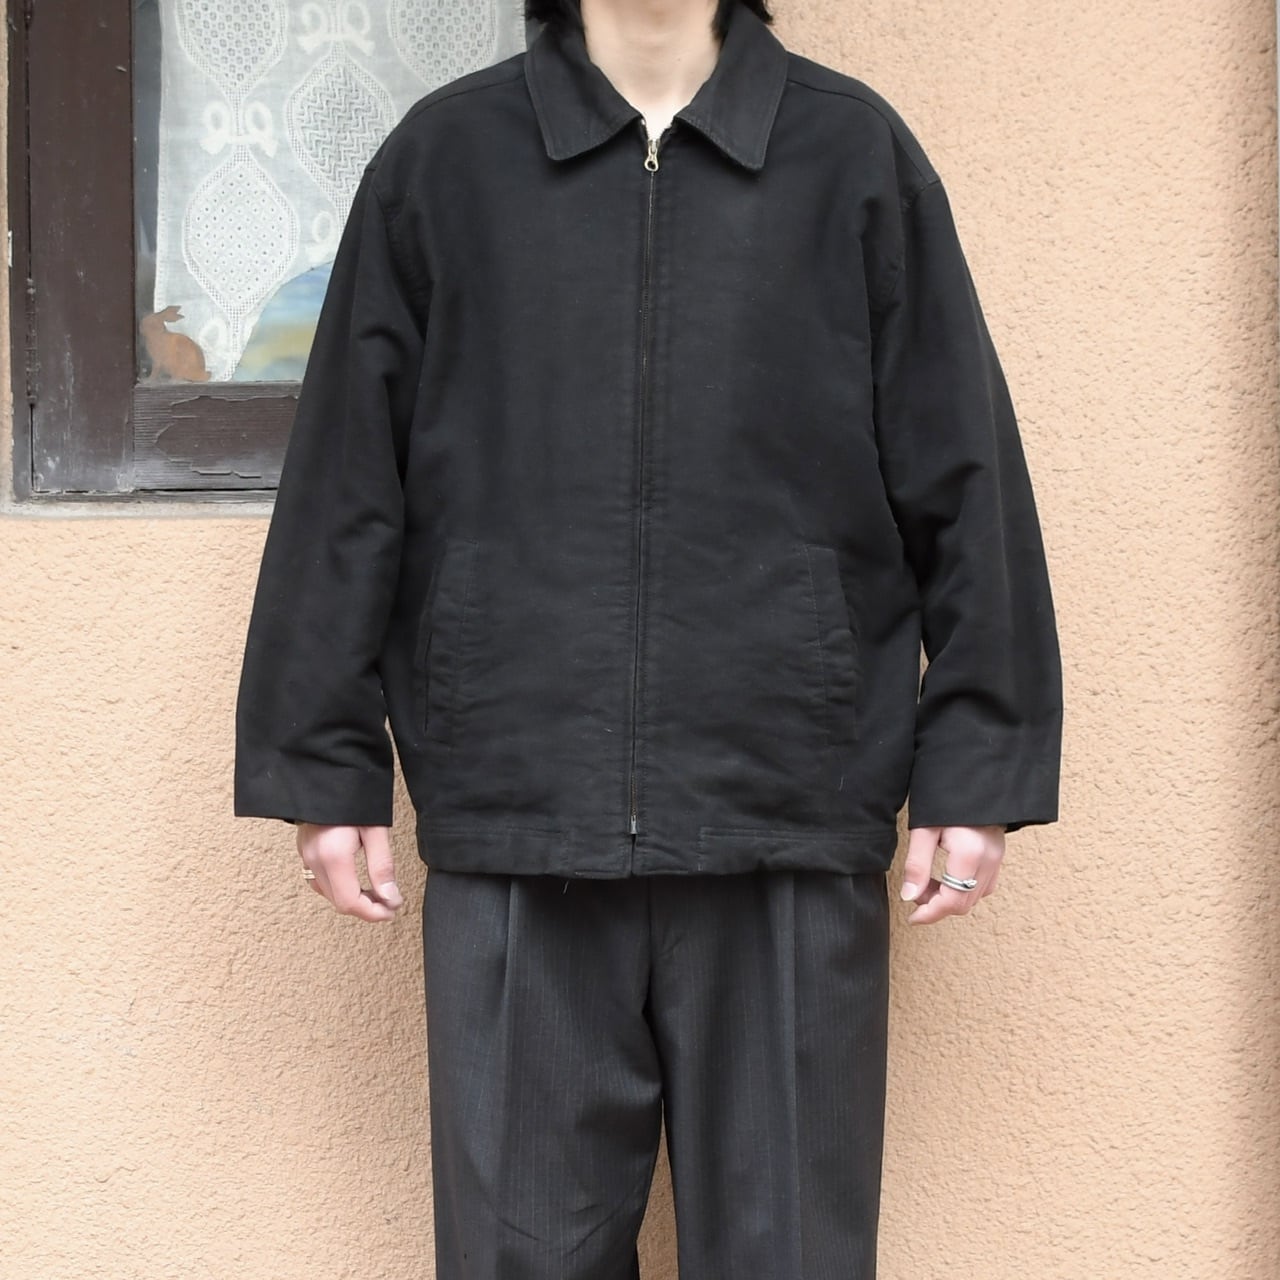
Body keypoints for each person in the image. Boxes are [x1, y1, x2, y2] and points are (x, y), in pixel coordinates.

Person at [233, 0, 1063, 1275]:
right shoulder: (445, 162)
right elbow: (346, 477)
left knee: (789, 1256)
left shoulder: (851, 156)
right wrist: (323, 762)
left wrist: (976, 768)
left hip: (786, 813)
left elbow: (963, 471)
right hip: (519, 816)